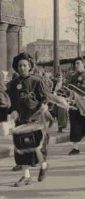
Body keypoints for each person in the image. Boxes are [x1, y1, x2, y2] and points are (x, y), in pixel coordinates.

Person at [7, 52, 50, 187]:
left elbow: (45, 97)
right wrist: (12, 111)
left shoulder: (37, 81)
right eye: (20, 66)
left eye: (25, 65)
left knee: (38, 148)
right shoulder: (13, 84)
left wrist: (44, 104)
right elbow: (11, 102)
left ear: (30, 66)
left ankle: (43, 166)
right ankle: (26, 176)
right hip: (20, 121)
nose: (22, 68)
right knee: (21, 149)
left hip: (36, 120)